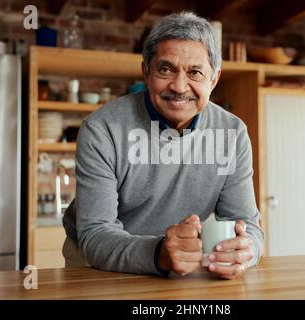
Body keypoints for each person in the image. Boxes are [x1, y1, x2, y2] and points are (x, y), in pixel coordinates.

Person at [62, 11, 264, 280]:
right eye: (165, 69)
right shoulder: (102, 129)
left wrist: (245, 251)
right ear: (146, 72)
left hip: (182, 261)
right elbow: (95, 233)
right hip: (98, 263)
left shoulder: (233, 133)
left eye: (195, 72)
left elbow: (248, 226)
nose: (179, 86)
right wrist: (158, 253)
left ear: (213, 79)